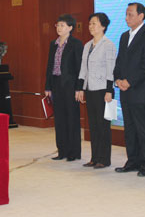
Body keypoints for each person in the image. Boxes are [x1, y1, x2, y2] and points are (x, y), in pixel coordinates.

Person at [113, 3, 145, 177]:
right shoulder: (124, 36)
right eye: (126, 14)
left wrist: (129, 81)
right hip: (126, 91)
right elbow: (119, 61)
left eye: (130, 14)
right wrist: (118, 79)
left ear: (141, 16)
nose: (127, 18)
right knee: (130, 129)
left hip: (142, 91)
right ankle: (132, 161)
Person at [76, 13, 117, 169]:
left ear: (103, 26)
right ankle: (94, 157)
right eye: (90, 23)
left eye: (94, 23)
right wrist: (80, 88)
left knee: (103, 125)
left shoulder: (108, 45)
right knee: (93, 124)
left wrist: (109, 90)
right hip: (90, 88)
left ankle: (104, 159)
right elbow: (83, 68)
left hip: (103, 90)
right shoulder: (87, 45)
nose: (91, 26)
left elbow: (111, 69)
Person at [45, 14, 84, 161]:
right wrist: (47, 86)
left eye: (62, 25)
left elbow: (80, 67)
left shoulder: (76, 44)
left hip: (70, 85)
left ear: (70, 27)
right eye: (58, 25)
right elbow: (49, 66)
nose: (59, 28)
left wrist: (79, 88)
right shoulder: (53, 44)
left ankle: (74, 152)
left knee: (72, 118)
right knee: (59, 119)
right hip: (56, 84)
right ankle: (62, 151)